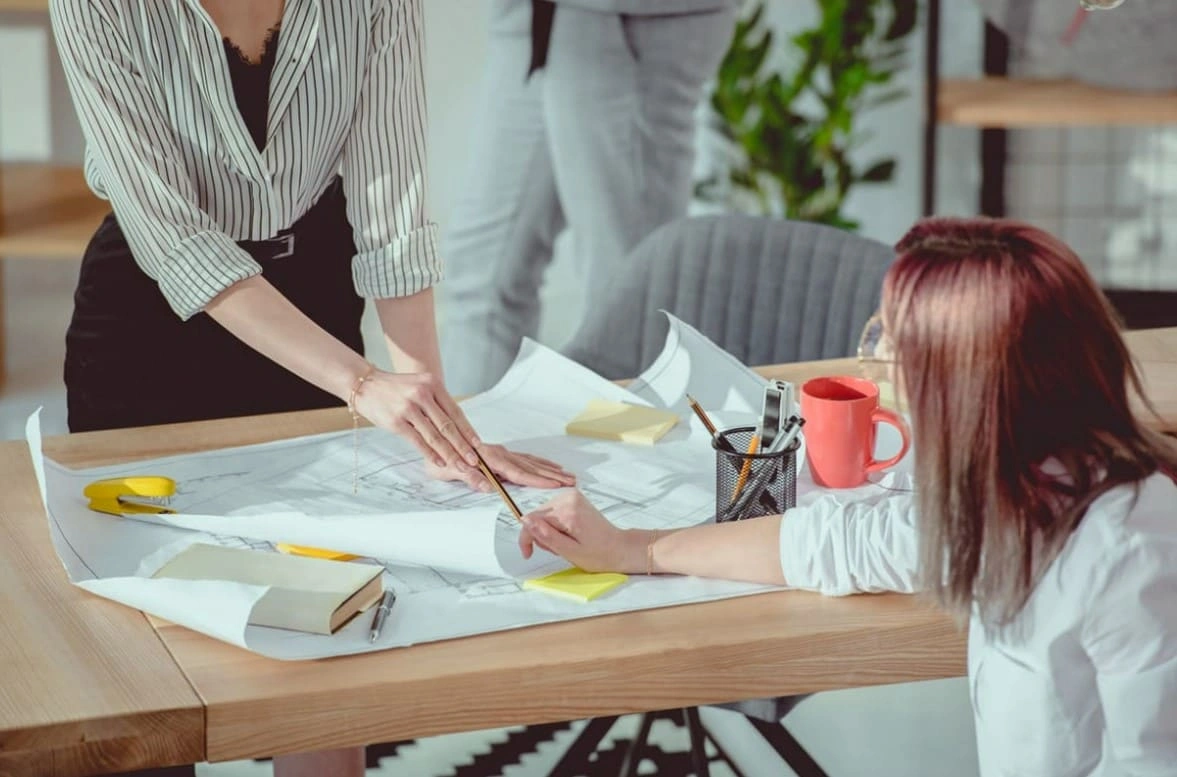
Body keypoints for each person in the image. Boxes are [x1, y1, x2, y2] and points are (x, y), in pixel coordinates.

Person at [50, 1, 573, 774]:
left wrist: (427, 407)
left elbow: (391, 203)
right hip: (146, 329)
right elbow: (176, 238)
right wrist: (362, 381)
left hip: (314, 310)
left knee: (325, 638)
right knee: (144, 663)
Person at [518, 217, 1177, 776]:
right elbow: (830, 542)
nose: (874, 362)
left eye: (894, 344)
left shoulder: (1132, 552)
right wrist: (635, 548)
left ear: (969, 383)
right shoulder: (1002, 492)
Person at [439, 0, 738, 395]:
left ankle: (634, 452)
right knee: (484, 274)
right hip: (533, 15)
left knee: (625, 295)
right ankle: (470, 447)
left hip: (628, 18)